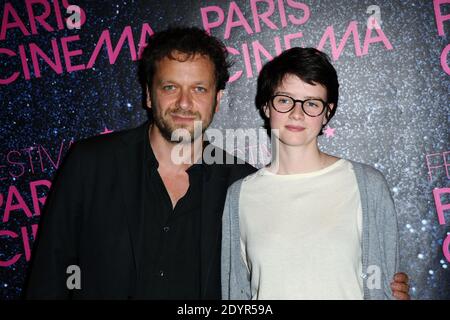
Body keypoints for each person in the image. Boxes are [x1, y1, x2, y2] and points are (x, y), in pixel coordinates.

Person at [25, 26, 256, 299]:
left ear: (217, 100)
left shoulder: (243, 184)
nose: (184, 103)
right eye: (170, 87)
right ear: (148, 94)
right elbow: (49, 277)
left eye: (199, 89)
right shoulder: (90, 164)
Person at [221, 47, 410, 300]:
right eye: (285, 100)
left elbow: (386, 288)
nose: (297, 113)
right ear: (267, 106)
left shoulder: (367, 185)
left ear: (327, 112)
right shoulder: (240, 196)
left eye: (311, 103)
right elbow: (236, 295)